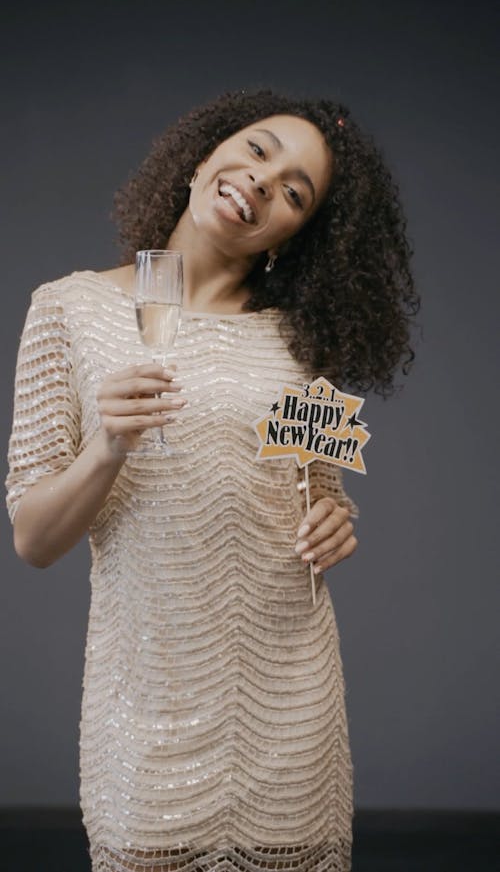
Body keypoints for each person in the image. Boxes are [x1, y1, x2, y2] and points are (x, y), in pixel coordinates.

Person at [5, 89, 420, 872]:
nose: (263, 182)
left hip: (289, 713)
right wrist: (106, 447)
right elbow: (32, 538)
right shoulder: (67, 309)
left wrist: (337, 521)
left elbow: (317, 492)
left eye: (295, 191)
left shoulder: (302, 343)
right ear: (203, 157)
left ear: (296, 235)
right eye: (260, 151)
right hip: (146, 708)